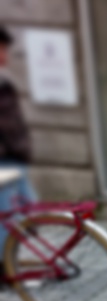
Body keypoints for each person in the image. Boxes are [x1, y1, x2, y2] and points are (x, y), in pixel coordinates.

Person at [0, 25, 35, 213]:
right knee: (8, 222)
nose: (4, 55)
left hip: (16, 158)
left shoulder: (5, 81)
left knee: (30, 213)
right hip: (4, 163)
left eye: (5, 49)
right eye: (1, 49)